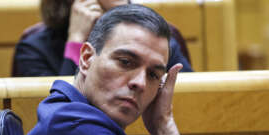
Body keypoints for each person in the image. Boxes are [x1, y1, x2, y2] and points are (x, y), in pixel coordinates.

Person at [16, 4, 211, 135]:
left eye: (153, 75)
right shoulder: (72, 129)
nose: (140, 83)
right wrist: (164, 127)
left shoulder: (71, 118)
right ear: (86, 59)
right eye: (126, 62)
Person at [12, 0, 193, 77]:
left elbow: (188, 101)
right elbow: (57, 113)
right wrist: (76, 40)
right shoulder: (33, 48)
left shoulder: (157, 35)